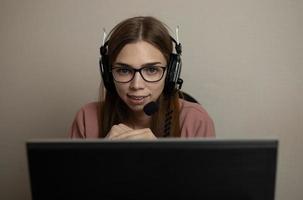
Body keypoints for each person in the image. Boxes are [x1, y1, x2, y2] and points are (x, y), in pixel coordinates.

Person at [69, 16, 215, 139]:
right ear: (108, 74)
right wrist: (103, 154)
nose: (136, 85)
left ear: (171, 73)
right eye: (124, 70)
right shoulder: (86, 119)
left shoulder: (196, 120)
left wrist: (158, 156)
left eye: (151, 69)